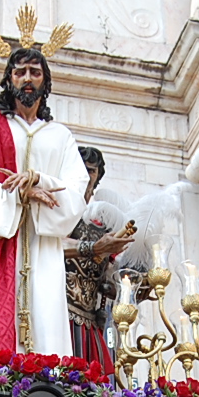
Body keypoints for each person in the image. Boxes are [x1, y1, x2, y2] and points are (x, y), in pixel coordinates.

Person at [0, 43, 90, 358]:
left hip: (43, 247)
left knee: (46, 317)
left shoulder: (60, 136)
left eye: (35, 73)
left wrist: (40, 181)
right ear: (8, 79)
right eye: (19, 72)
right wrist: (19, 194)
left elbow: (77, 189)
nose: (27, 79)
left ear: (45, 83)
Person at [62, 147, 133, 372]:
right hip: (57, 312)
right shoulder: (59, 208)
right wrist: (93, 247)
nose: (85, 176)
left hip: (90, 321)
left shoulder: (103, 221)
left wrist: (129, 286)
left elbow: (108, 279)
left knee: (94, 387)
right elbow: (47, 246)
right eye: (80, 169)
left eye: (91, 171)